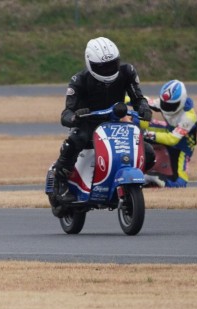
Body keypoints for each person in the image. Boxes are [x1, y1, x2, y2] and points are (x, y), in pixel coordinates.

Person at [52, 36, 153, 203]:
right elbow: (66, 114)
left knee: (148, 152)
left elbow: (138, 98)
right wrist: (75, 117)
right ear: (90, 64)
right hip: (88, 124)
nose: (108, 70)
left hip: (116, 122)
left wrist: (144, 107)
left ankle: (125, 183)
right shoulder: (79, 80)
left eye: (112, 64)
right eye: (102, 67)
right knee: (76, 139)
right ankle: (60, 182)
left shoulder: (127, 72)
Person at [141, 79, 197, 188]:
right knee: (137, 122)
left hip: (182, 147)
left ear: (181, 101)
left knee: (180, 184)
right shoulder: (164, 102)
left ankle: (156, 178)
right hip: (168, 131)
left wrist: (148, 134)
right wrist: (125, 98)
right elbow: (145, 101)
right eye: (164, 103)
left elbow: (172, 139)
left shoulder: (189, 117)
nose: (166, 107)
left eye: (171, 105)